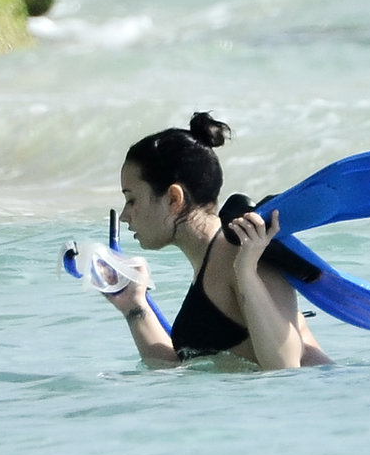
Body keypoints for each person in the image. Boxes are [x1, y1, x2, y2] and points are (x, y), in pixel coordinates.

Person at [107, 112, 332, 370]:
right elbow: (179, 369)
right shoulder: (213, 260)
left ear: (173, 198)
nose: (124, 216)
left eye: (131, 199)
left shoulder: (244, 251)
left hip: (327, 397)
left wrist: (246, 274)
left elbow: (285, 367)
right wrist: (133, 305)